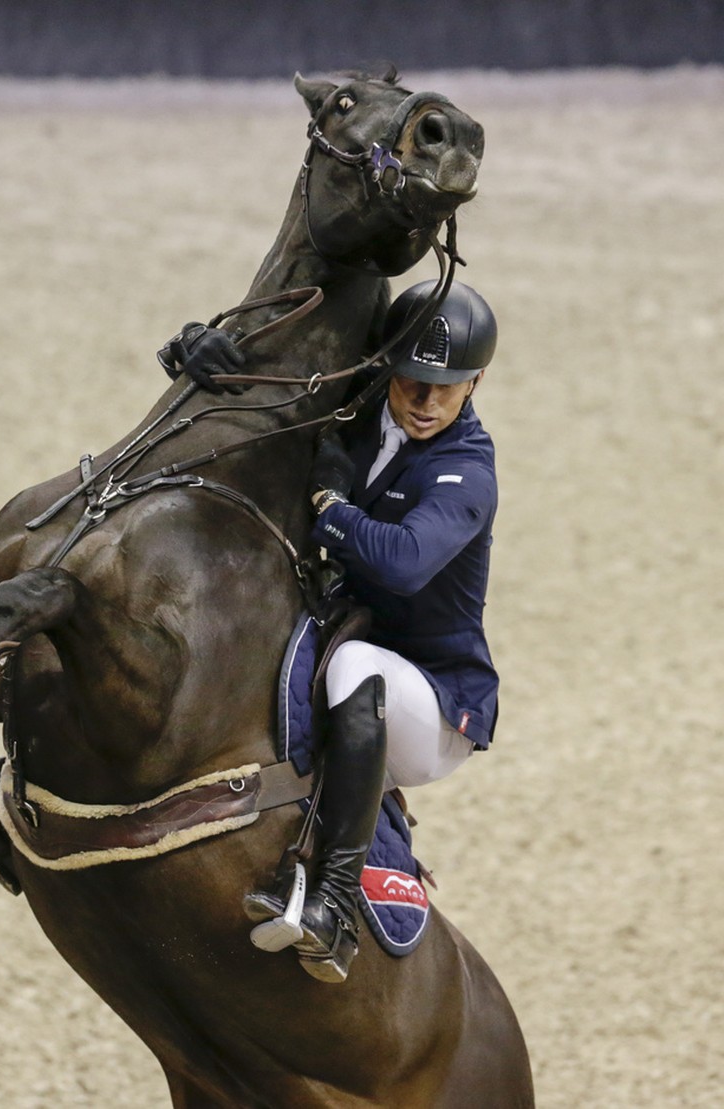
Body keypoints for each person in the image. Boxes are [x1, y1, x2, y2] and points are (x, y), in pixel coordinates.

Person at [160, 280, 500, 983]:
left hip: (432, 704)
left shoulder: (466, 470)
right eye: (413, 379)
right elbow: (279, 399)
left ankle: (337, 904)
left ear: (478, 383)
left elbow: (402, 564)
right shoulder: (368, 406)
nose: (426, 401)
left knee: (356, 674)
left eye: (448, 386)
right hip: (352, 640)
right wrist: (200, 363)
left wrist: (329, 505)